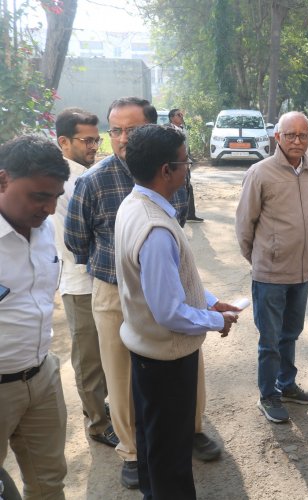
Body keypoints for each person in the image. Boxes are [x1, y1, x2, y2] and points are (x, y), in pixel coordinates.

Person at [65, 96, 221, 489]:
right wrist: (216, 317)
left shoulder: (162, 182)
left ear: (151, 130)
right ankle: (133, 451)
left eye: (130, 130)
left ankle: (190, 430)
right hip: (115, 292)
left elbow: (178, 221)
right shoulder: (94, 181)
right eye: (114, 130)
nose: (121, 138)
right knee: (123, 377)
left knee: (180, 375)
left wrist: (198, 297)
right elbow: (76, 240)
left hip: (166, 283)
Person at [115, 125, 238, 499]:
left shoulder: (134, 204)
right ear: (166, 170)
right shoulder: (155, 227)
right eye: (185, 163)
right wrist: (217, 320)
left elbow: (172, 283)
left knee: (154, 442)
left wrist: (208, 299)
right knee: (171, 455)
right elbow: (169, 311)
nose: (188, 170)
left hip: (146, 352)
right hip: (166, 361)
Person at [235, 111, 308, 424]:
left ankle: (286, 385)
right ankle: (267, 394)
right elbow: (245, 224)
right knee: (269, 340)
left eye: (303, 135)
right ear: (277, 137)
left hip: (302, 271)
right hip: (270, 274)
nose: (297, 141)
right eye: (290, 135)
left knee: (291, 333)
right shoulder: (260, 173)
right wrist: (259, 258)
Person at [0, 135, 70, 498]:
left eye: (55, 197)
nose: (48, 208)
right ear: (2, 181)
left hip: (42, 378)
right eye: (39, 196)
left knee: (49, 481)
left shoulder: (46, 231)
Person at [52, 107, 119, 449]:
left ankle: (101, 408)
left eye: (97, 138)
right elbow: (79, 238)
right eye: (87, 140)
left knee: (106, 353)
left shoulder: (87, 173)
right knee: (90, 359)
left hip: (98, 279)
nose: (95, 145)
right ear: (63, 141)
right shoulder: (68, 182)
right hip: (80, 282)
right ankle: (97, 422)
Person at [168, 108, 203, 223]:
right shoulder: (168, 129)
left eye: (182, 114)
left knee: (188, 187)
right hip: (175, 164)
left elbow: (186, 147)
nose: (181, 116)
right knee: (178, 188)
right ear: (172, 118)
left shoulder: (183, 129)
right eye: (179, 115)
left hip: (185, 163)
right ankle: (177, 215)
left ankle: (190, 214)